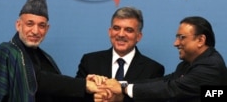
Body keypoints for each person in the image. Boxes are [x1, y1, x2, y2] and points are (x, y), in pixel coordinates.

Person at [0, 0, 106, 102]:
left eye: (41, 26)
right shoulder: (7, 50)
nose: (35, 31)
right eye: (30, 24)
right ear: (18, 25)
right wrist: (83, 85)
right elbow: (35, 79)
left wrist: (90, 89)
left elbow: (58, 92)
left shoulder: (45, 58)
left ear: (47, 29)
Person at [96, 16, 227, 102]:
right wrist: (120, 85)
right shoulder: (187, 64)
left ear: (200, 40)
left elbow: (172, 89)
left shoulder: (210, 66)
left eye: (181, 37)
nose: (175, 43)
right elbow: (164, 81)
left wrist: (123, 89)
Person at [75, 7, 165, 102]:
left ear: (138, 36)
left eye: (129, 30)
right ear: (110, 32)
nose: (121, 34)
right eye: (116, 28)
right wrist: (90, 93)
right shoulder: (90, 61)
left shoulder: (153, 69)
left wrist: (120, 99)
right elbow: (75, 97)